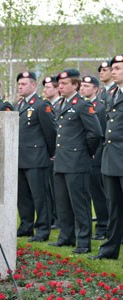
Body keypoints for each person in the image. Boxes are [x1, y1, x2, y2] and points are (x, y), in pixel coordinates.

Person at [49, 69, 102, 254]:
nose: (60, 87)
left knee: (80, 204)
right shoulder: (61, 104)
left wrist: (85, 152)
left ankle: (83, 242)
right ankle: (66, 236)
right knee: (62, 202)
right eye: (59, 84)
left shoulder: (82, 105)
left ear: (75, 85)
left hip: (77, 161)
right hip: (62, 160)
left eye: (64, 84)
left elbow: (95, 133)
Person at [15, 71, 56, 242]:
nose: (20, 87)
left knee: (40, 197)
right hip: (20, 157)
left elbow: (51, 131)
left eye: (24, 84)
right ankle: (26, 226)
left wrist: (51, 153)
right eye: (19, 84)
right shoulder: (18, 105)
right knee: (23, 196)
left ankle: (42, 229)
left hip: (36, 158)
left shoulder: (41, 105)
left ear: (33, 85)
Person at [90, 54, 123, 260]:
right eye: (114, 68)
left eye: (119, 68)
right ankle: (110, 249)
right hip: (111, 158)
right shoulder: (112, 94)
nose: (114, 71)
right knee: (114, 207)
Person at [79, 75, 108, 240]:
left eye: (87, 86)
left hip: (96, 156)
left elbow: (100, 134)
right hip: (86, 156)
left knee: (99, 195)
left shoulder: (100, 107)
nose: (83, 88)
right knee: (90, 194)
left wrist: (94, 153)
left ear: (96, 89)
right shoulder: (83, 105)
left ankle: (103, 227)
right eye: (82, 85)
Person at [42, 76, 61, 228]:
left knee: (59, 189)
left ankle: (60, 218)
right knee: (51, 188)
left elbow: (53, 131)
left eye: (49, 87)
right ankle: (54, 217)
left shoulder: (61, 104)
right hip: (51, 153)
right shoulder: (46, 105)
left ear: (56, 89)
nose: (45, 90)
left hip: (61, 152)